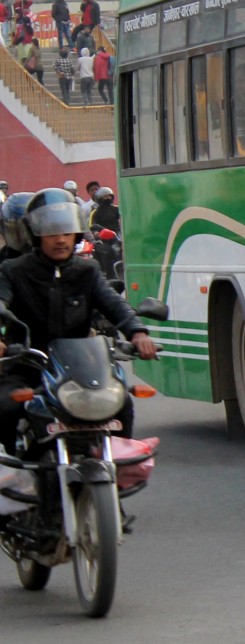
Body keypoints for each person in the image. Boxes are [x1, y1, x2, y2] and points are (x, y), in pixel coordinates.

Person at [0, 189, 156, 456]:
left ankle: (110, 464)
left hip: (80, 366)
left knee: (121, 403)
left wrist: (137, 332)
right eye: (51, 233)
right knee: (6, 405)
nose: (60, 240)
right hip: (28, 363)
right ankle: (21, 461)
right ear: (36, 235)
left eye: (66, 232)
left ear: (77, 234)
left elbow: (112, 302)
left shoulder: (87, 271)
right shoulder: (13, 271)